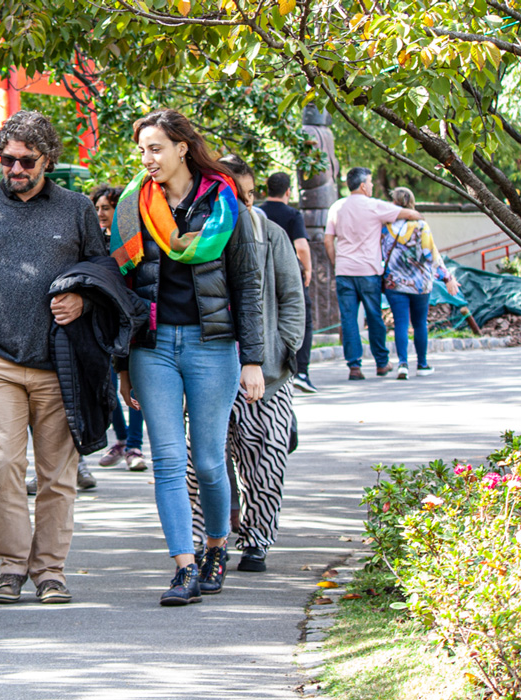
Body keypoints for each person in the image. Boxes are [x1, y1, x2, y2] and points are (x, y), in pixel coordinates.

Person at [0, 110, 107, 605]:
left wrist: (82, 300)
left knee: (58, 474)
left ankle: (51, 571)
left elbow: (102, 272)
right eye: (6, 159)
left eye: (26, 161)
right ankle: (12, 567)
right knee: (1, 464)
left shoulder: (77, 209)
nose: (14, 169)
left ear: (48, 160)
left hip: (59, 362)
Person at [111, 109, 264, 607]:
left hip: (212, 345)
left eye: (155, 148)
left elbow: (247, 282)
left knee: (209, 461)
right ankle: (184, 566)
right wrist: (121, 365)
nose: (147, 158)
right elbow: (122, 285)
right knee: (168, 461)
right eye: (142, 150)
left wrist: (254, 358)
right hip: (152, 348)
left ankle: (216, 547)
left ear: (181, 147)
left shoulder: (224, 201)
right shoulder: (135, 204)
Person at [188, 155, 305, 573]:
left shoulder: (269, 232)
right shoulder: (195, 235)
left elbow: (292, 298)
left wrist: (281, 351)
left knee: (266, 457)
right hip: (208, 369)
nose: (244, 202)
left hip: (267, 375)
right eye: (235, 194)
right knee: (202, 463)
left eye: (249, 195)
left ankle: (258, 539)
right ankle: (207, 539)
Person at [324, 167, 422, 381]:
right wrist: (414, 216)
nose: (372, 186)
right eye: (369, 182)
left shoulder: (337, 207)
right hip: (369, 272)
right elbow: (411, 214)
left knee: (348, 320)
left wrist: (336, 263)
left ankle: (354, 367)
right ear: (362, 186)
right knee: (374, 317)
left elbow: (328, 240)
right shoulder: (375, 205)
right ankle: (381, 363)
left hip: (344, 272)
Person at [90, 183, 149, 472]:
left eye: (107, 208)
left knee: (133, 387)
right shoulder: (94, 243)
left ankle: (135, 445)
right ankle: (122, 440)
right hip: (103, 326)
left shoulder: (132, 242)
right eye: (98, 207)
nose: (101, 212)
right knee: (109, 389)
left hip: (130, 324)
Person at [381, 187, 460, 378]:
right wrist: (446, 277)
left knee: (400, 323)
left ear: (395, 204)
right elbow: (431, 255)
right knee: (419, 324)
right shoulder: (421, 226)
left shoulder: (385, 228)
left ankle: (402, 364)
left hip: (395, 283)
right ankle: (422, 364)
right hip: (420, 284)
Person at [259, 172, 316, 394]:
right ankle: (301, 370)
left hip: (260, 274)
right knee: (303, 319)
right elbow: (300, 245)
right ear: (288, 191)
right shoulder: (292, 214)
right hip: (285, 273)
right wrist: (307, 269)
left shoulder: (259, 212)